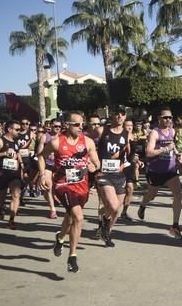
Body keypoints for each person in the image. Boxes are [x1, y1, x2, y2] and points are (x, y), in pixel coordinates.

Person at [39, 111, 100, 273]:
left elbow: (96, 162)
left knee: (70, 217)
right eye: (76, 124)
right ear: (67, 125)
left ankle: (60, 238)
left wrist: (94, 166)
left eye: (82, 124)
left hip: (82, 186)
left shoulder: (88, 142)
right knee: (78, 217)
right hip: (63, 185)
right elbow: (41, 156)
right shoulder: (56, 142)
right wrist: (43, 174)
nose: (80, 127)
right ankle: (72, 256)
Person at [137, 107, 182, 239]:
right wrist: (164, 149)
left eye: (170, 117)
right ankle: (143, 205)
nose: (168, 119)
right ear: (159, 119)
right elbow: (149, 152)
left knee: (178, 194)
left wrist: (177, 154)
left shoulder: (172, 131)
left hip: (170, 170)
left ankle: (175, 226)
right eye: (165, 117)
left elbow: (172, 145)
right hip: (155, 171)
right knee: (151, 196)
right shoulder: (155, 133)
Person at [94, 105, 130, 247]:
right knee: (113, 207)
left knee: (116, 211)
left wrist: (132, 161)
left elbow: (130, 153)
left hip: (119, 175)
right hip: (104, 174)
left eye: (122, 114)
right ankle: (104, 224)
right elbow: (87, 143)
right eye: (117, 114)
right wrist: (93, 164)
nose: (120, 117)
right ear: (112, 116)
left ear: (125, 117)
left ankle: (106, 231)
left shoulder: (127, 134)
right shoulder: (102, 130)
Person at [0, 120, 23, 229]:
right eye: (17, 129)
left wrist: (20, 163)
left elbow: (17, 154)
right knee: (1, 198)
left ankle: (11, 220)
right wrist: (4, 153)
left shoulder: (16, 141)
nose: (19, 131)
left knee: (16, 195)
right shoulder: (0, 140)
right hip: (2, 174)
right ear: (9, 129)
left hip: (14, 174)